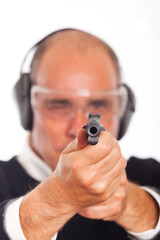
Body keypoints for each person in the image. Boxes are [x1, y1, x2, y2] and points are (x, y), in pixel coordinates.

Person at [0, 28, 160, 240]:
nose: (78, 130)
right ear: (26, 109)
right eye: (58, 105)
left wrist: (136, 206)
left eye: (99, 104)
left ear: (123, 110)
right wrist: (53, 201)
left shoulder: (150, 174)